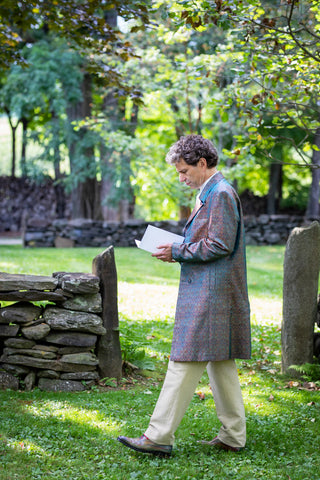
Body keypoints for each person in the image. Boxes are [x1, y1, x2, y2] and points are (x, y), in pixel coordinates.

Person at [118, 134, 251, 456]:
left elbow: (220, 244)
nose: (181, 178)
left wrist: (177, 250)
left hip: (212, 293)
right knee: (221, 363)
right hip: (213, 291)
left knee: (184, 360)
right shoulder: (211, 192)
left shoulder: (219, 193)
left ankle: (158, 436)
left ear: (202, 163)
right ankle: (233, 436)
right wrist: (179, 247)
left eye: (183, 171)